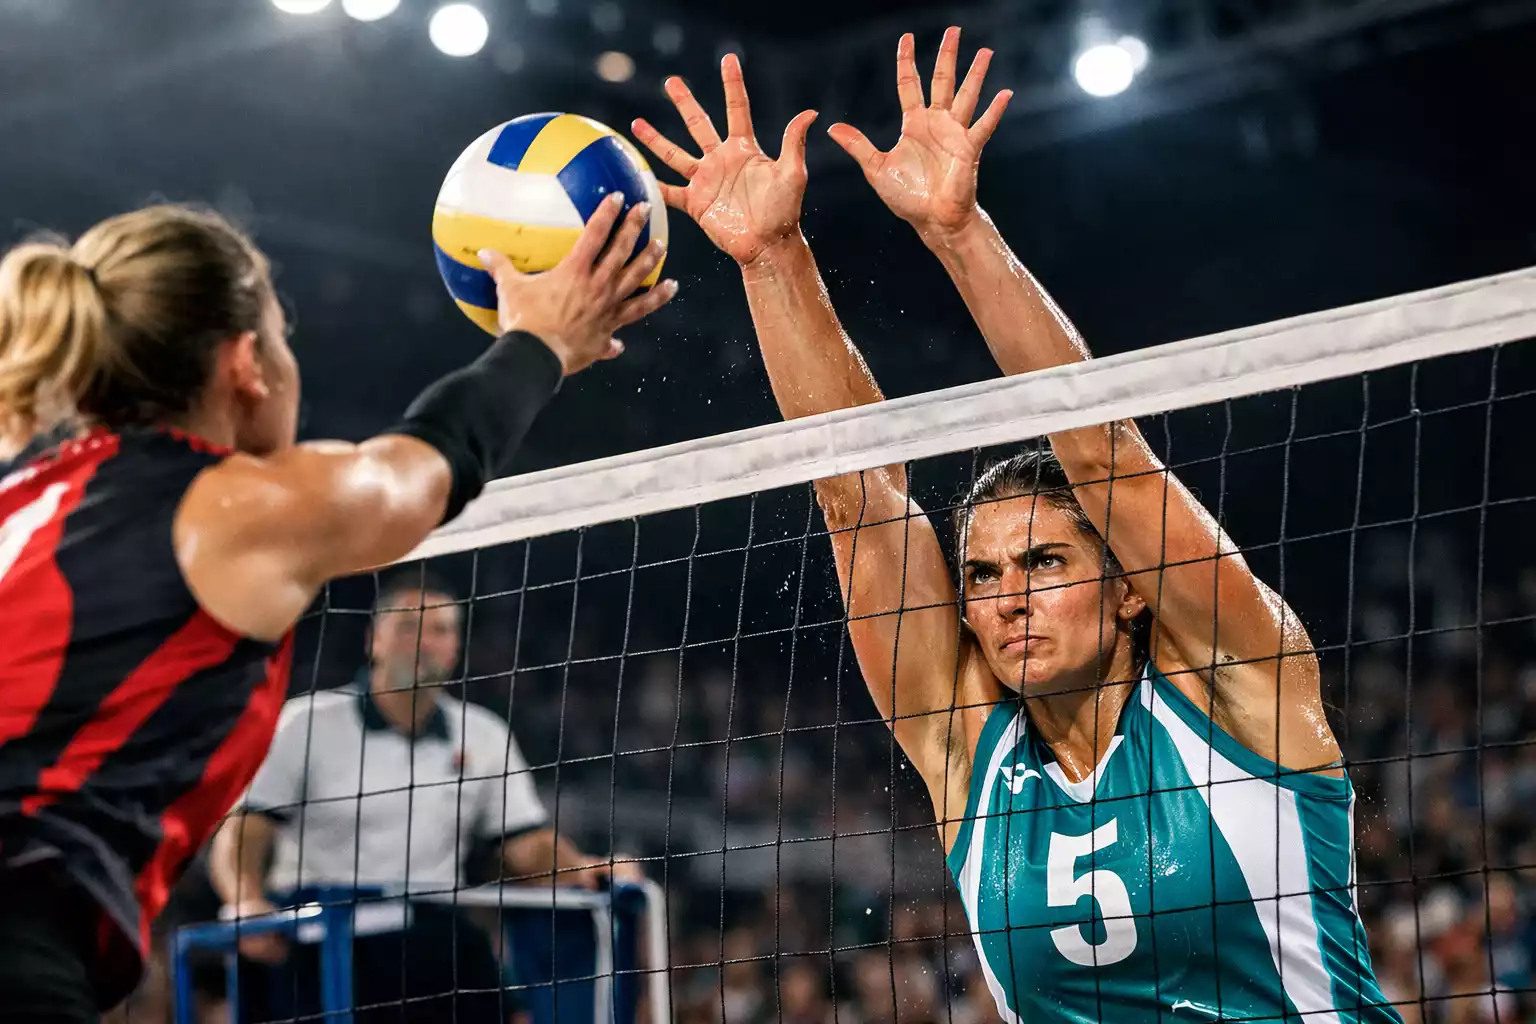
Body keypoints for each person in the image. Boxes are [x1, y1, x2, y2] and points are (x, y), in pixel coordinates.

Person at [633, 28, 1398, 1023]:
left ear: (1127, 585)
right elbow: (858, 501)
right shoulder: (968, 751)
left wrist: (958, 232)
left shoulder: (1240, 679)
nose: (1006, 599)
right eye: (983, 575)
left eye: (1043, 560)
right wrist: (771, 256)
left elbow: (1106, 453)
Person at [0, 197, 674, 1020]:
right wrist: (539, 345)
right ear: (248, 362)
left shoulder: (20, 499)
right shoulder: (227, 507)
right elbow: (420, 470)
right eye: (287, 336)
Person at [209, 569, 638, 1023]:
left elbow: (525, 843)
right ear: (374, 639)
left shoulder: (483, 733)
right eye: (407, 626)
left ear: (455, 647)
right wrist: (245, 900)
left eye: (440, 630)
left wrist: (582, 866)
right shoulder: (307, 722)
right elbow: (244, 830)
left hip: (433, 934)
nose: (424, 642)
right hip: (322, 931)